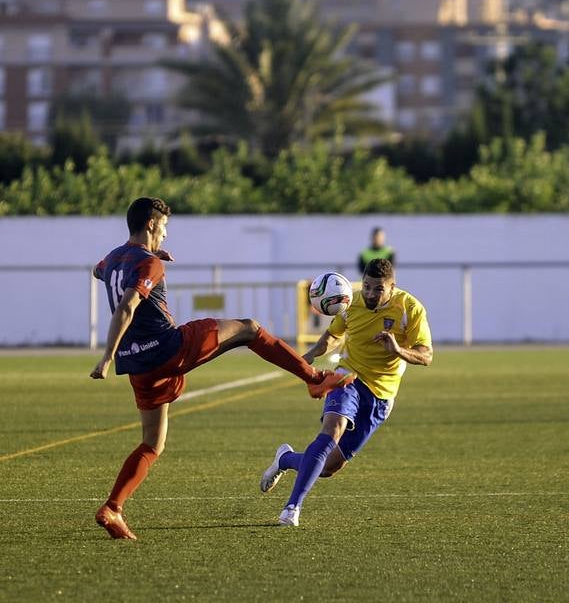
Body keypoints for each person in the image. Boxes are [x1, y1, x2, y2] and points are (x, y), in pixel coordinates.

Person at [90, 196, 351, 541]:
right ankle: (316, 379)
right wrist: (106, 356)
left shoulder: (113, 259)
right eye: (164, 227)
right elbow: (126, 306)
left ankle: (113, 508)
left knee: (153, 444)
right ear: (151, 224)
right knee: (250, 329)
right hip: (169, 348)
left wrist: (148, 260)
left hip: (139, 365)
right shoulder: (149, 265)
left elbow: (99, 271)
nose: (166, 235)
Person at [260, 257, 432, 527]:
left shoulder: (410, 308)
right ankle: (292, 508)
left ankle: (285, 459)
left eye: (378, 289)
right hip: (347, 377)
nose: (371, 294)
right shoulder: (350, 304)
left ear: (392, 287)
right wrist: (308, 356)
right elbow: (331, 337)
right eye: (367, 287)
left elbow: (426, 355)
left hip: (381, 397)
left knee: (328, 467)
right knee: (331, 431)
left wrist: (398, 350)